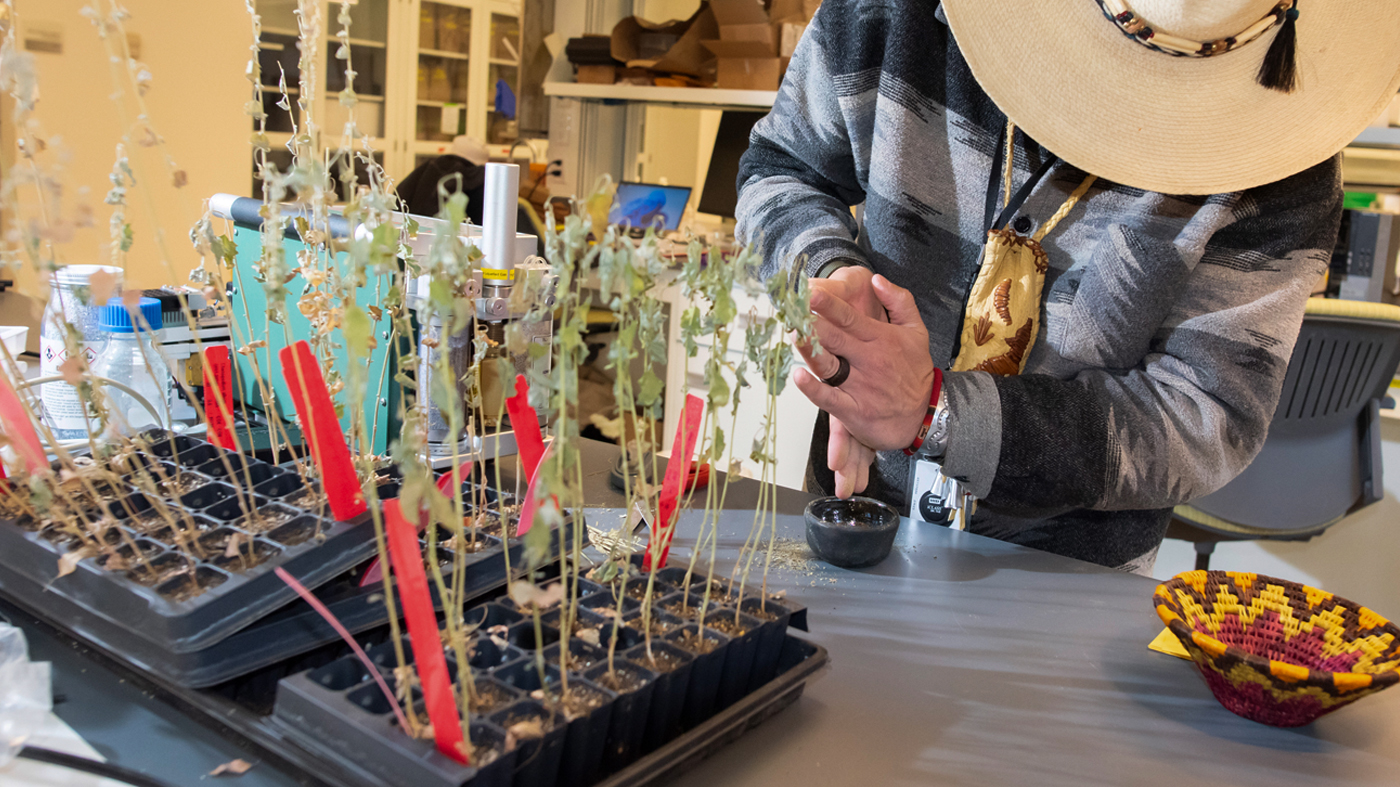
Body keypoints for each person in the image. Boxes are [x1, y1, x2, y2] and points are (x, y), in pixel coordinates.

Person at [735, 0, 1400, 573]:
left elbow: (1207, 414)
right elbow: (782, 167)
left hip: (1073, 577)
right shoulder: (896, 14)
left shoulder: (1283, 163)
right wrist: (828, 279)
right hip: (850, 518)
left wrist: (939, 411)